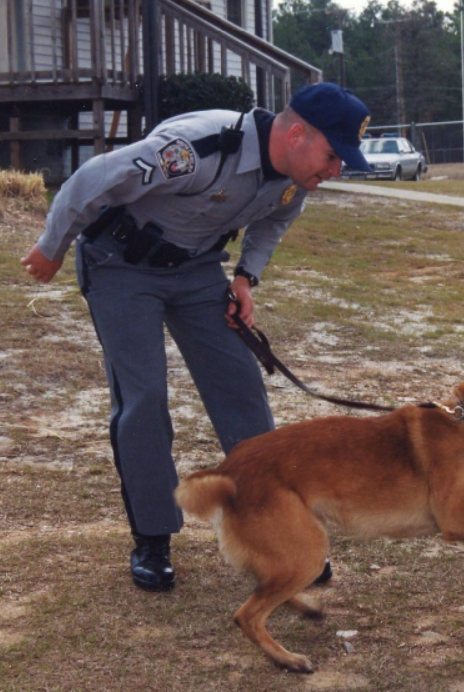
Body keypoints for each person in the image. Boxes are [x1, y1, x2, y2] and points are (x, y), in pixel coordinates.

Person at [20, 82, 372, 592]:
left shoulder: (294, 178)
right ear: (297, 134)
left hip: (197, 269)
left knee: (241, 389)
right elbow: (94, 177)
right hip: (120, 265)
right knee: (143, 397)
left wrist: (246, 277)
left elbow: (275, 220)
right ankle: (153, 536)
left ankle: (275, 531)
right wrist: (52, 245)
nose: (336, 170)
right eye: (333, 155)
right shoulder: (200, 147)